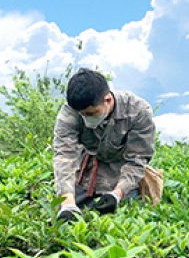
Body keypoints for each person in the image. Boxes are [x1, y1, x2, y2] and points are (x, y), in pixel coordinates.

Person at [53, 68, 156, 221]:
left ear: (108, 100)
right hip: (84, 177)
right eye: (81, 114)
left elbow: (137, 159)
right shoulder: (70, 112)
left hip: (121, 177)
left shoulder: (138, 112)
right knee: (62, 218)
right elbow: (65, 156)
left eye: (90, 113)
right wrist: (67, 203)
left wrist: (117, 194)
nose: (86, 119)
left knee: (126, 219)